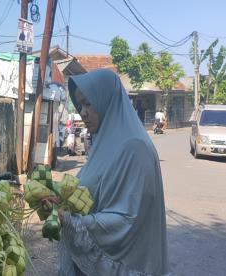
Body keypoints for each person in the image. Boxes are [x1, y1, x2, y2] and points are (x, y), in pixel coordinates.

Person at [53, 69, 168, 275]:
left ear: (107, 101)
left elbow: (128, 220)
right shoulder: (102, 144)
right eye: (80, 105)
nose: (83, 112)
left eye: (88, 103)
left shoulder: (135, 148)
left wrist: (71, 222)